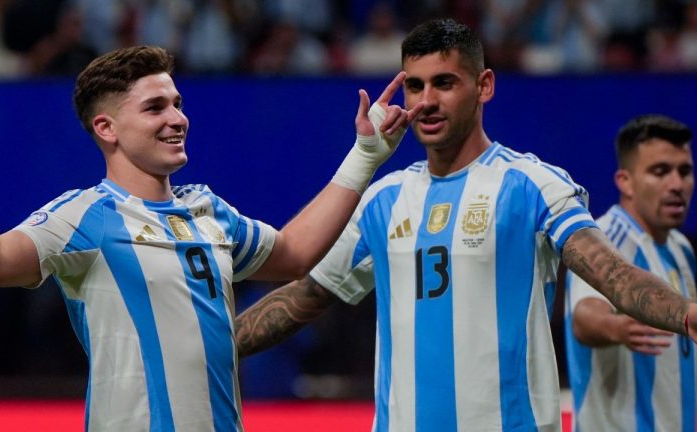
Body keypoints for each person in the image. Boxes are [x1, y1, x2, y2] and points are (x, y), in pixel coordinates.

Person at [234, 18, 697, 431]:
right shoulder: (383, 199)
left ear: (484, 85)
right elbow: (304, 296)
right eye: (415, 86)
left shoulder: (533, 184)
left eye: (444, 83)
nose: (427, 102)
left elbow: (611, 273)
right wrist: (212, 344)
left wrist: (685, 313)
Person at [0, 45, 422, 431]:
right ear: (106, 128)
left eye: (177, 103)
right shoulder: (83, 215)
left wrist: (366, 154)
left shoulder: (207, 209)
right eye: (155, 108)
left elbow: (294, 253)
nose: (177, 118)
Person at [565, 115, 696, 431]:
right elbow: (584, 317)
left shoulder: (681, 248)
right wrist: (616, 326)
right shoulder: (605, 238)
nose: (677, 184)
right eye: (660, 171)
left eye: (685, 171)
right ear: (625, 181)